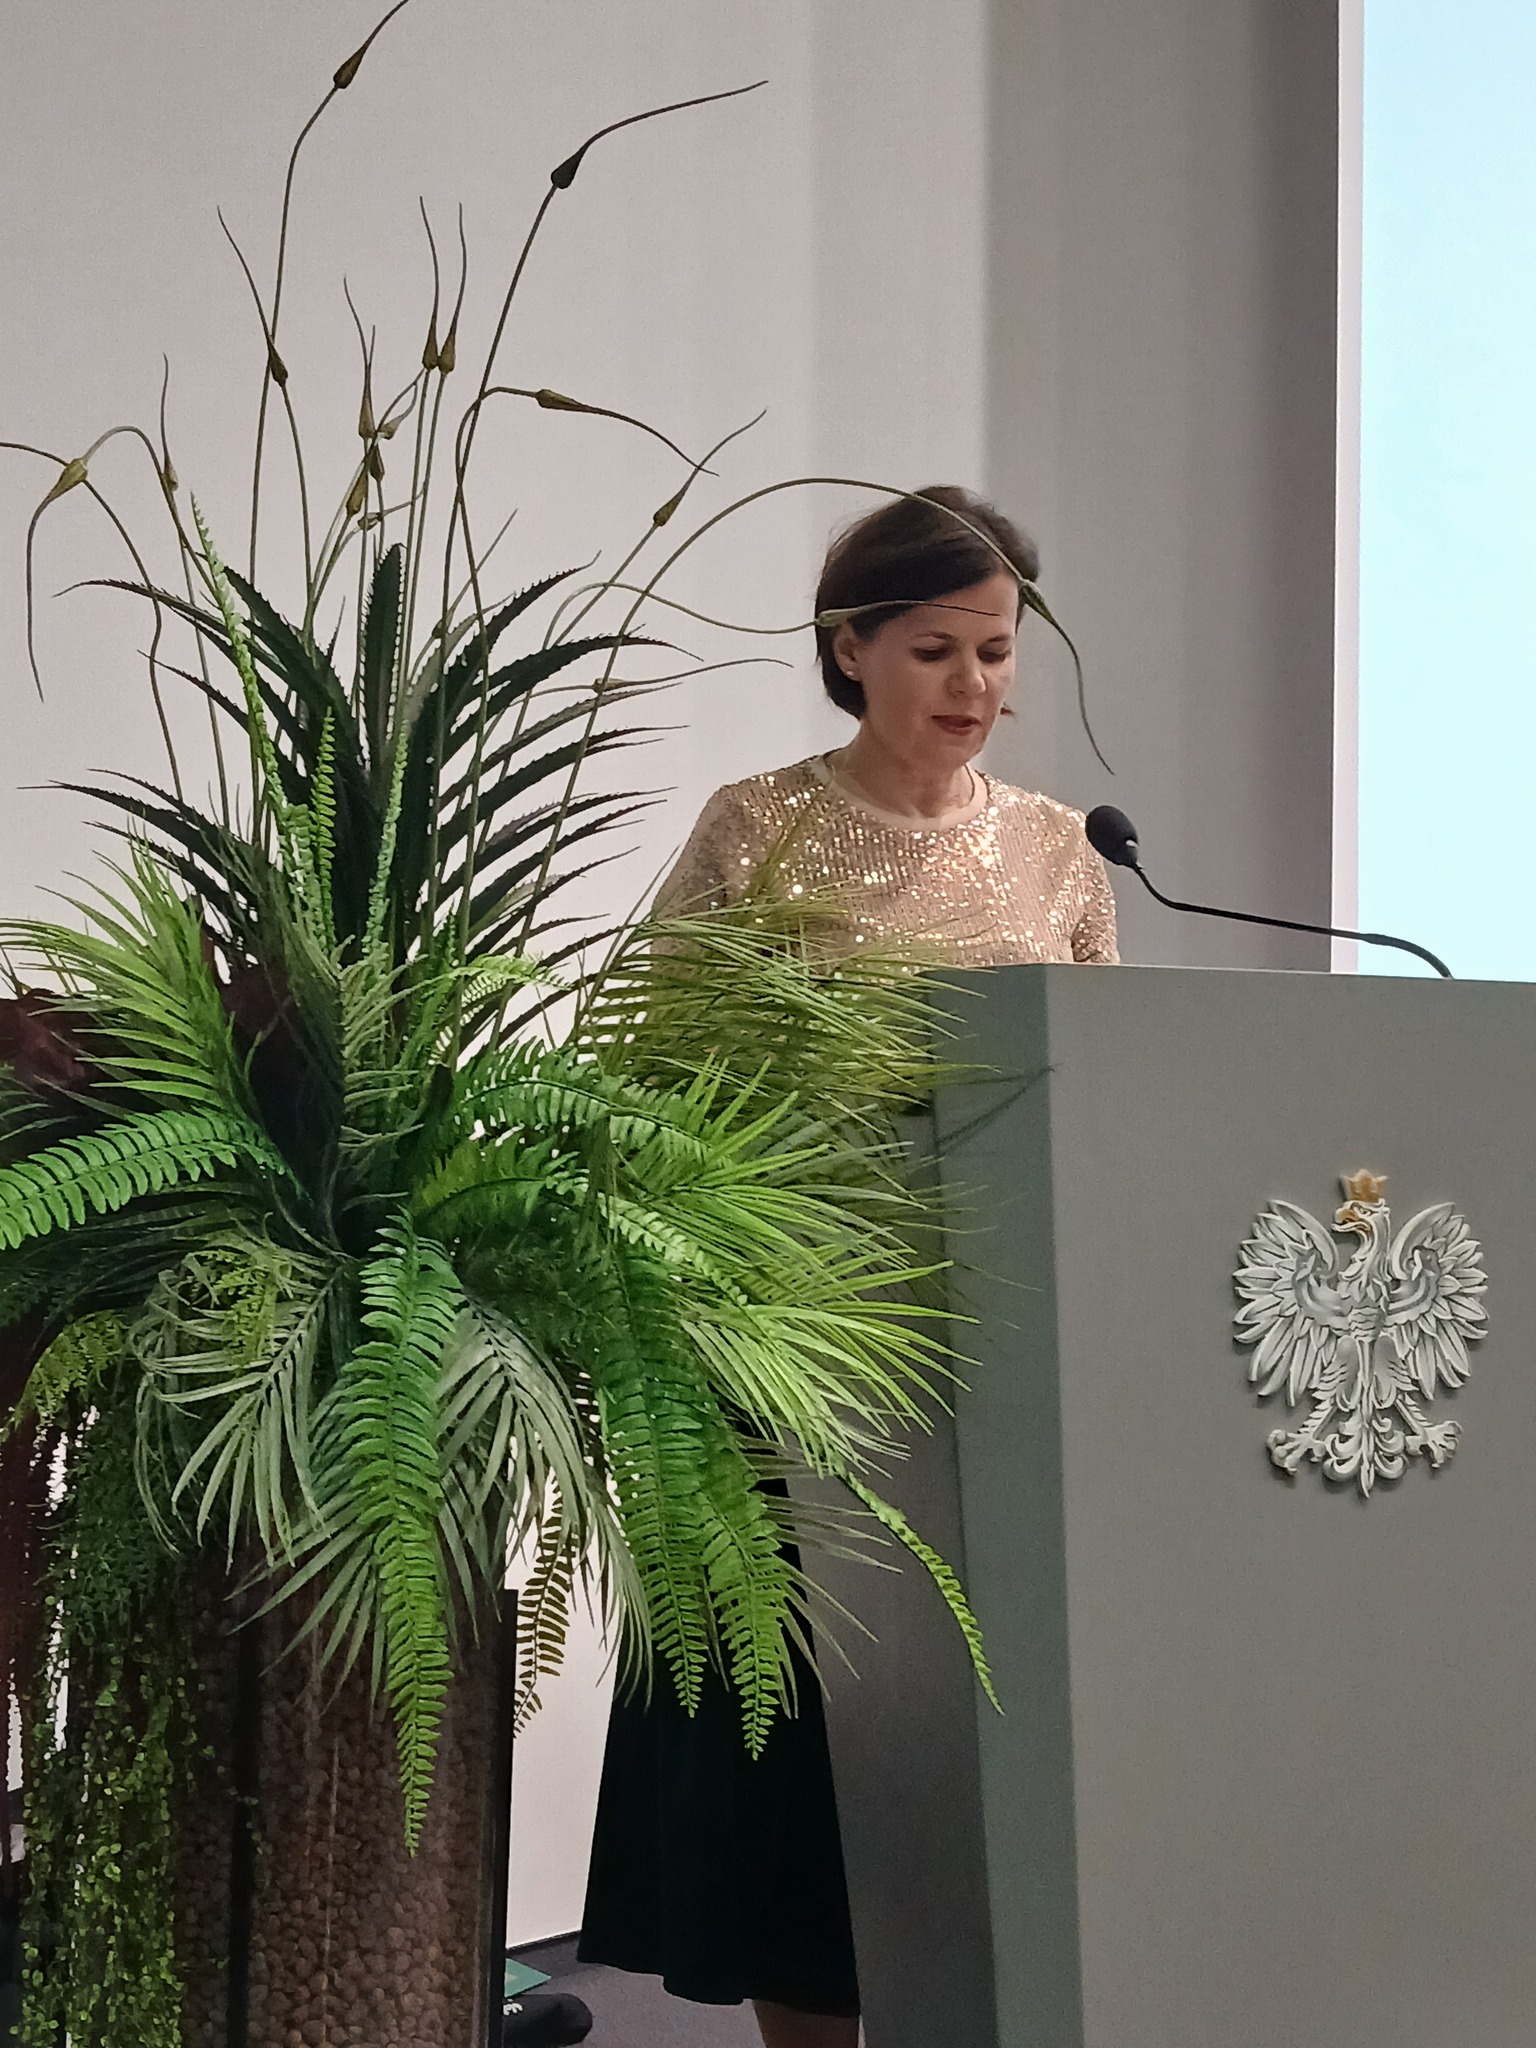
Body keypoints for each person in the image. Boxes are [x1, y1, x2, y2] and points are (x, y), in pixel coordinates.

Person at [577, 486, 1118, 2048]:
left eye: (996, 651)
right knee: (802, 1757)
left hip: (996, 1365)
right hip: (794, 1358)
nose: (973, 685)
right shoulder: (760, 828)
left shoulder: (1062, 852)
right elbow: (642, 1080)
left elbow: (1101, 1100)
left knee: (988, 1740)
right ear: (848, 650)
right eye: (935, 650)